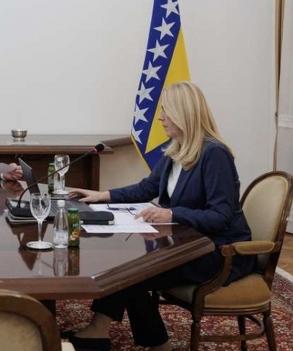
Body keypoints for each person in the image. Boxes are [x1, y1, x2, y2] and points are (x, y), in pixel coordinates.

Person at [63, 81, 255, 351]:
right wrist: (102, 195)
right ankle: (107, 332)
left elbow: (220, 216)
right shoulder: (176, 147)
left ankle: (136, 340)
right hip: (187, 243)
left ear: (184, 113)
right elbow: (147, 188)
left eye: (166, 111)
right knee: (127, 268)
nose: (161, 117)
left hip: (216, 252)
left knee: (131, 274)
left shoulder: (214, 154)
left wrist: (172, 213)